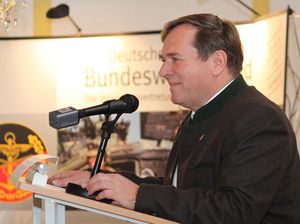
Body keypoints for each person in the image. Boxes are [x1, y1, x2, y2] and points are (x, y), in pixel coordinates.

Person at [48, 13, 300, 223]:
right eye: (163, 60)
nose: (162, 71)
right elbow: (178, 187)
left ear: (217, 62)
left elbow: (236, 211)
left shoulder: (259, 119)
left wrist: (138, 195)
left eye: (175, 60)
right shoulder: (201, 115)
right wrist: (102, 181)